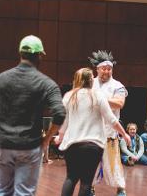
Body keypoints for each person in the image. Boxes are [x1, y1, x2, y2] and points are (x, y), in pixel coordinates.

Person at [0, 35, 66, 196]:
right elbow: (59, 114)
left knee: (2, 191)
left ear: (20, 53)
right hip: (29, 146)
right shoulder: (47, 83)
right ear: (39, 56)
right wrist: (46, 140)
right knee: (24, 193)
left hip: (5, 145)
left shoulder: (0, 79)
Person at [55, 68, 130, 196]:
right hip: (93, 146)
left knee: (71, 178)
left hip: (72, 144)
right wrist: (125, 134)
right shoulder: (98, 95)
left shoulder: (69, 96)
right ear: (91, 80)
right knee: (86, 183)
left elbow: (64, 121)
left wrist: (60, 137)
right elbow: (112, 119)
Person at [88, 50, 128, 196]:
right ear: (97, 69)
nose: (106, 71)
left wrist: (101, 99)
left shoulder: (117, 85)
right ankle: (89, 187)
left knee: (113, 161)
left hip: (110, 130)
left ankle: (120, 188)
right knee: (90, 161)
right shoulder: (89, 83)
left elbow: (119, 103)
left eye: (109, 68)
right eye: (104, 68)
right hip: (91, 130)